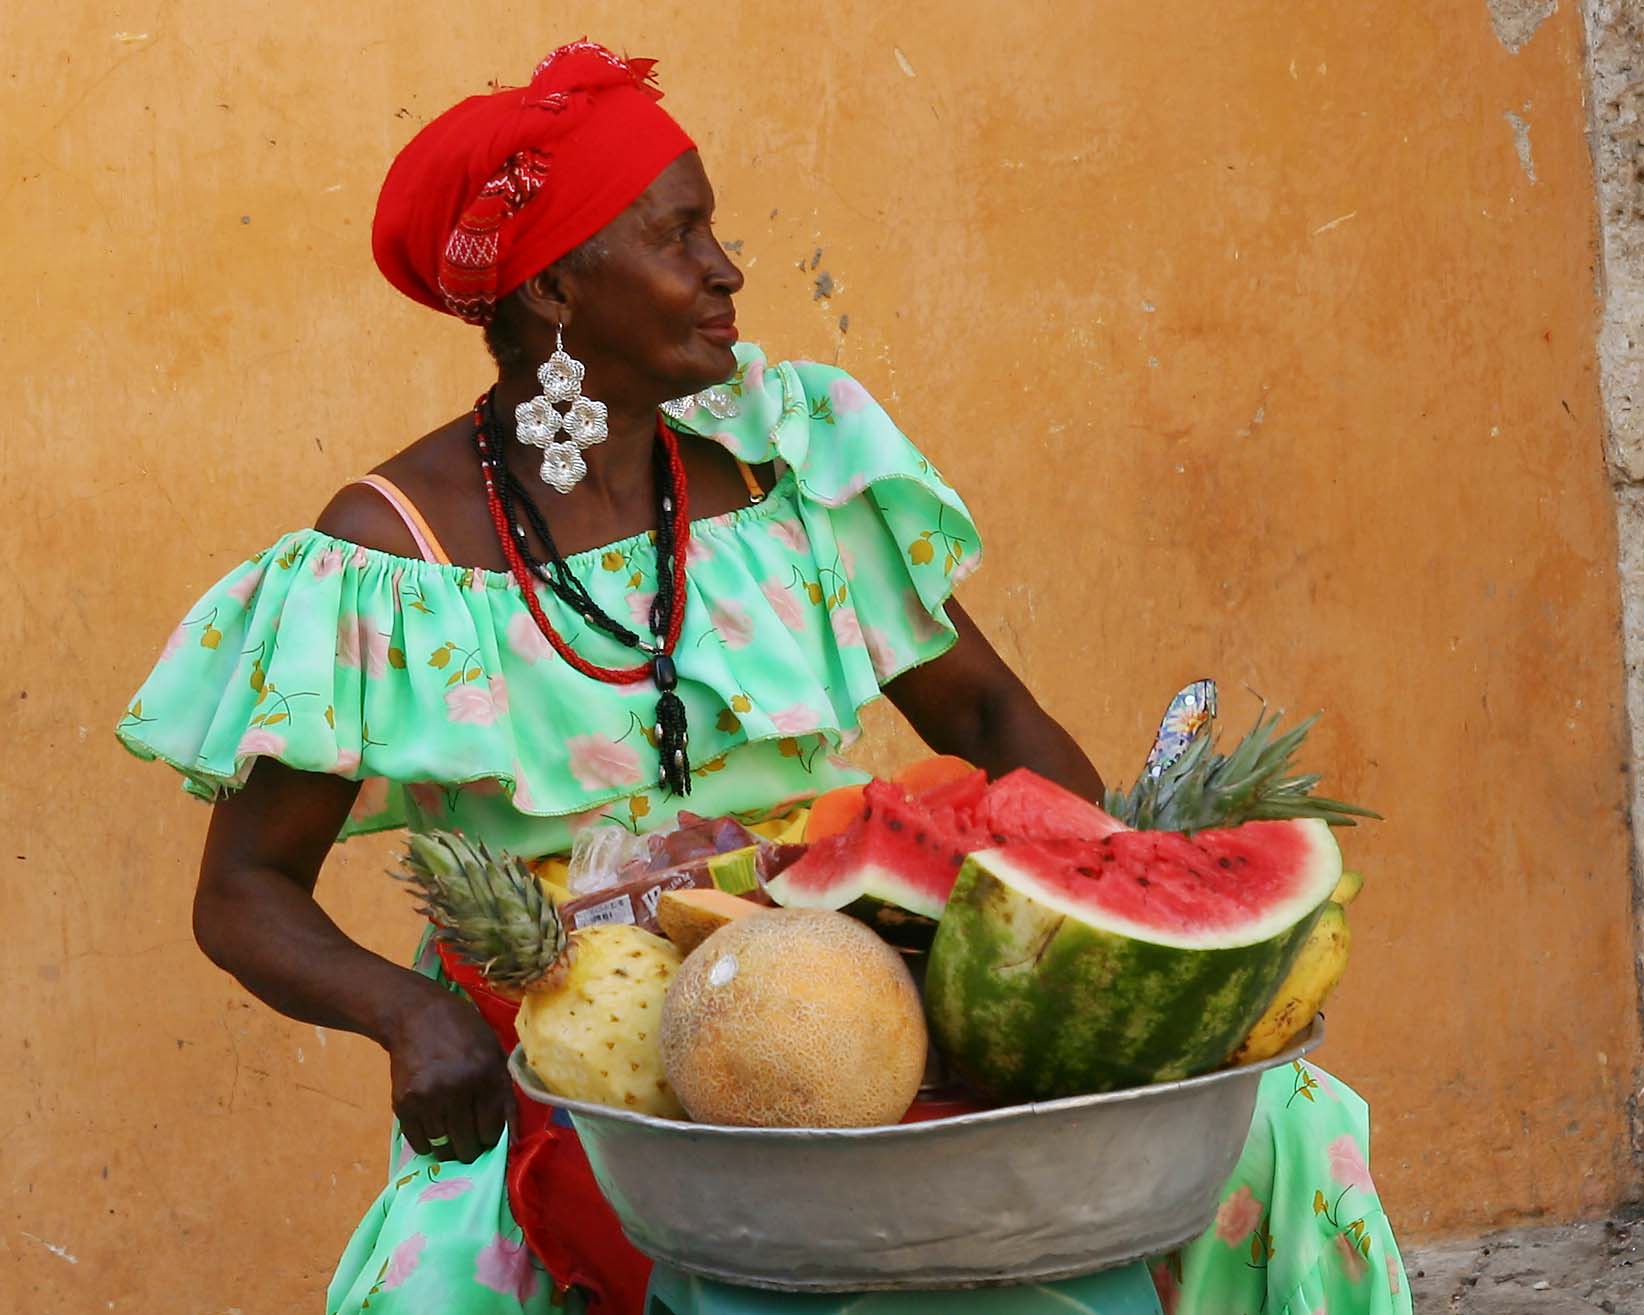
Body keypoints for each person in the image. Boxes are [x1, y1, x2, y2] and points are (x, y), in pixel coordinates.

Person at [117, 41, 1410, 1315]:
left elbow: (984, 712)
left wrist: (1110, 915)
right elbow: (243, 891)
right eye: (679, 239)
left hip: (857, 984)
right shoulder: (382, 563)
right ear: (558, 290)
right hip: (574, 1053)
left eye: (713, 232)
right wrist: (408, 1018)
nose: (725, 271)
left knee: (1283, 1119)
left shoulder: (788, 473)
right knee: (448, 1288)